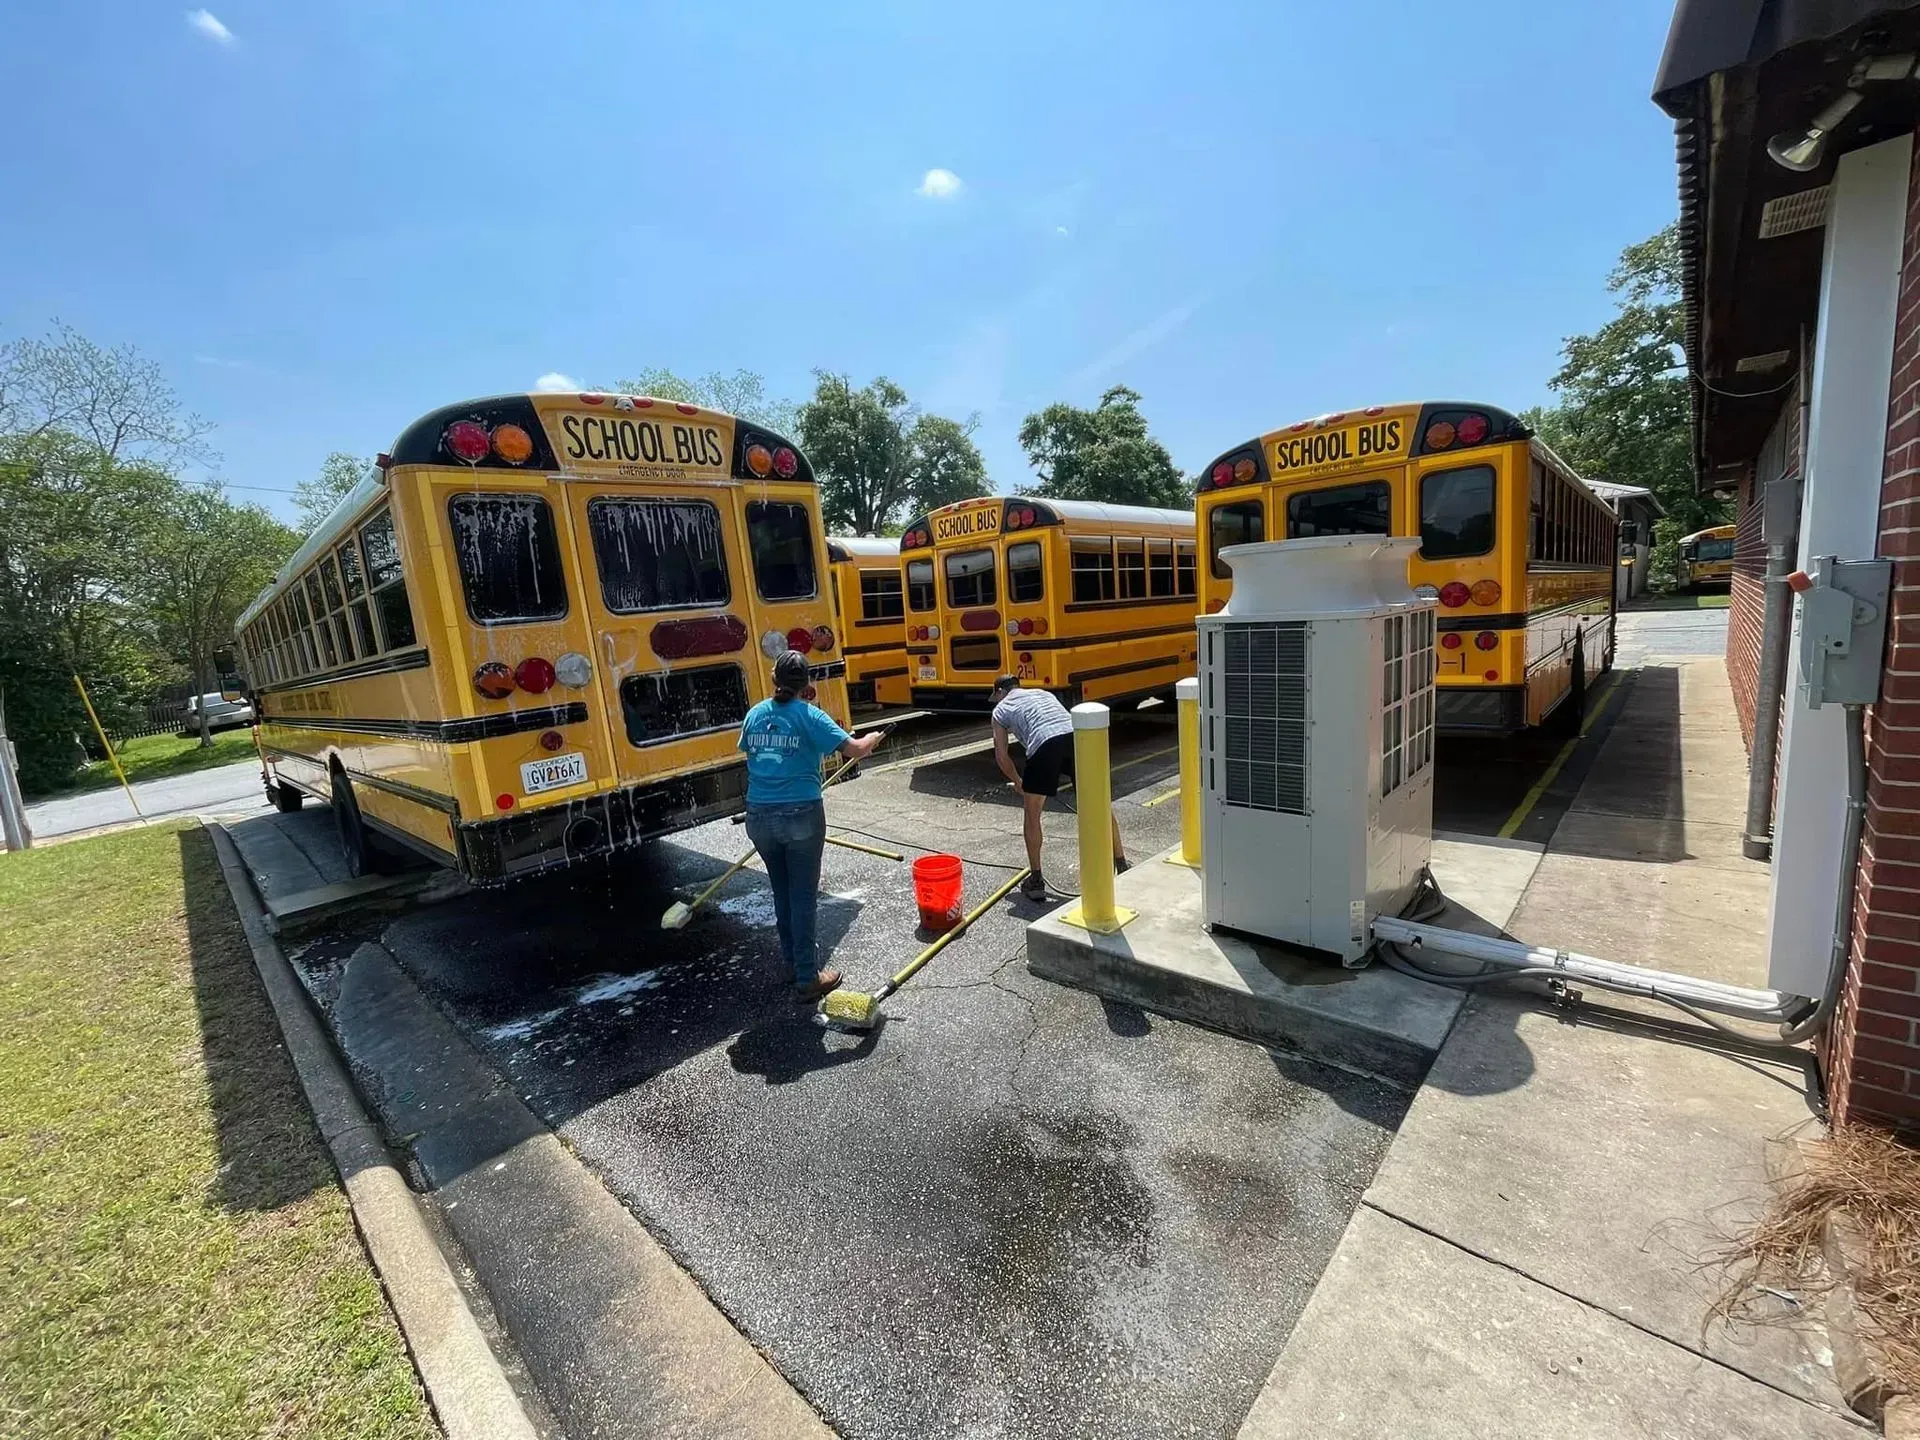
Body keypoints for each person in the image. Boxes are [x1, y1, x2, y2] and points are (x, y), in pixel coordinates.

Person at [737, 651, 882, 1000]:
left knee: (783, 893)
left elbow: (750, 753)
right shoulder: (810, 715)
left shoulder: (755, 714)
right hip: (801, 814)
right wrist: (874, 737)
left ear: (774, 678)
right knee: (802, 898)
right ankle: (807, 978)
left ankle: (792, 964)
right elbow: (856, 750)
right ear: (807, 683)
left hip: (758, 816)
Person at [989, 674, 1127, 901]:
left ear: (999, 693)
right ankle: (1121, 863)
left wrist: (1017, 781)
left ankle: (1036, 879)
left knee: (1032, 813)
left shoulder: (1001, 709)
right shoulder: (1042, 693)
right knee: (1098, 801)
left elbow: (1001, 754)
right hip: (1077, 737)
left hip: (1043, 743)